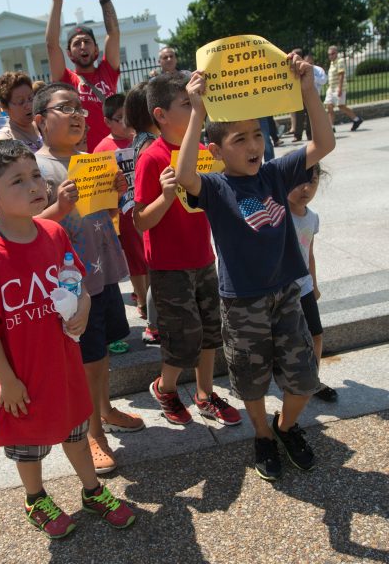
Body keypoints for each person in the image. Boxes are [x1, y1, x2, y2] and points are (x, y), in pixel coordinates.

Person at [175, 53, 335, 480]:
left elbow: (325, 143)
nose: (252, 146)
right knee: (250, 381)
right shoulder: (214, 186)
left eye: (256, 136)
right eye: (239, 140)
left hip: (286, 293)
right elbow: (184, 173)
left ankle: (285, 427)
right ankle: (263, 435)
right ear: (216, 150)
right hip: (242, 301)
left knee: (303, 379)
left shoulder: (277, 174)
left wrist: (307, 91)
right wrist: (197, 111)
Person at [0, 141, 136, 538]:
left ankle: (92, 491)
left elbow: (77, 284)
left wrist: (84, 309)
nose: (34, 186)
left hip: (62, 361)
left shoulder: (54, 232)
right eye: (18, 181)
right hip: (20, 373)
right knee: (28, 445)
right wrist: (6, 380)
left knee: (76, 430)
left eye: (36, 176)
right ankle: (35, 497)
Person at [34, 83, 144, 475]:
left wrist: (115, 190)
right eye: (65, 108)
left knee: (101, 354)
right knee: (87, 358)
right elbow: (29, 226)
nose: (78, 114)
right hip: (70, 283)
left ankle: (105, 409)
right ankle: (93, 433)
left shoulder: (90, 159)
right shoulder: (35, 168)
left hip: (102, 270)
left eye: (79, 107)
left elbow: (103, 213)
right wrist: (58, 205)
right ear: (40, 121)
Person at [133, 73, 242, 428]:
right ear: (161, 114)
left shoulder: (203, 152)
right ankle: (165, 388)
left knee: (211, 331)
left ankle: (204, 393)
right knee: (182, 340)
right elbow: (140, 222)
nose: (197, 107)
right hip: (169, 267)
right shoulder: (151, 158)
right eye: (187, 103)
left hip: (203, 259)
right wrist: (165, 197)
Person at [46, 0, 120, 152]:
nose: (82, 46)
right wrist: (57, 2)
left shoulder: (107, 70)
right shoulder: (65, 80)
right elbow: (51, 44)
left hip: (115, 154)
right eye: (76, 43)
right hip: (84, 159)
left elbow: (114, 33)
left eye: (87, 41)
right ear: (69, 54)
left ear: (96, 49)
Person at [94, 94, 148, 325]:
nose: (126, 123)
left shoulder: (142, 140)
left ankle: (151, 295)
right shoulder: (102, 149)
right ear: (107, 122)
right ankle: (143, 301)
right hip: (123, 212)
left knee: (150, 253)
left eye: (128, 117)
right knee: (136, 258)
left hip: (146, 204)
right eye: (119, 118)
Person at [287, 164, 336, 402]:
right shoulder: (279, 215)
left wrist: (314, 285)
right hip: (281, 291)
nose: (305, 188)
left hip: (304, 287)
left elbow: (310, 254)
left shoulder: (312, 218)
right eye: (298, 181)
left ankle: (312, 380)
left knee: (316, 335)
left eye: (312, 181)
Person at [123, 82, 160, 342]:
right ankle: (154, 325)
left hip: (152, 213)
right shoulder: (150, 144)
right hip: (156, 215)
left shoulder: (141, 140)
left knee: (154, 275)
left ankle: (152, 321)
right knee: (158, 278)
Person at [0, 71, 43, 152]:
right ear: (5, 107)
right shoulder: (4, 140)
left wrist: (71, 164)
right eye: (21, 102)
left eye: (30, 98)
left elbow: (67, 154)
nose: (29, 105)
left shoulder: (43, 125)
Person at [324, 45, 362, 132]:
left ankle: (356, 119)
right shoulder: (332, 63)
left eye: (332, 54)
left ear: (336, 53)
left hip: (338, 88)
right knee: (329, 106)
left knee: (341, 106)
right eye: (329, 54)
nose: (330, 56)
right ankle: (331, 126)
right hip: (331, 88)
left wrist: (340, 89)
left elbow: (341, 75)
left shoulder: (340, 61)